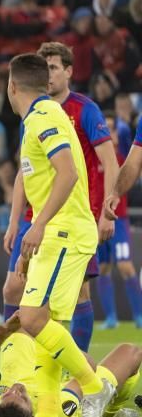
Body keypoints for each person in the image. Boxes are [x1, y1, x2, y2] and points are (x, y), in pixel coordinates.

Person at [0, 53, 113, 417]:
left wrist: (38, 224)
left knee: (30, 317)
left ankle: (97, 387)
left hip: (63, 231)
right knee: (50, 325)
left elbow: (68, 173)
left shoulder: (44, 117)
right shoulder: (42, 116)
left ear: (12, 86)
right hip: (64, 231)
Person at [0, 312, 140, 417]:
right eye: (22, 396)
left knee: (29, 319)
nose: (16, 388)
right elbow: (88, 369)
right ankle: (110, 414)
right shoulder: (56, 412)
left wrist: (5, 330)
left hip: (21, 364)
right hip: (67, 382)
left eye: (7, 394)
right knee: (131, 352)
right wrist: (60, 349)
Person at [95, 111, 142, 329]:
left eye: (112, 127)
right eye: (106, 127)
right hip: (98, 220)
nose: (109, 131)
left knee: (124, 266)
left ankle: (139, 316)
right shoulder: (93, 157)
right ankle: (111, 318)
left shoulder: (123, 154)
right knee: (102, 267)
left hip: (119, 220)